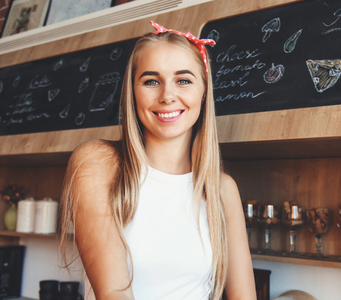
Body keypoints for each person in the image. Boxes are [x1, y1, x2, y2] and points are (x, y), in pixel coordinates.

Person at [60, 21, 256, 300]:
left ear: (203, 93)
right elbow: (114, 293)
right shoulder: (98, 164)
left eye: (184, 80)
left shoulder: (222, 189)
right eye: (151, 81)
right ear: (133, 92)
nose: (167, 96)